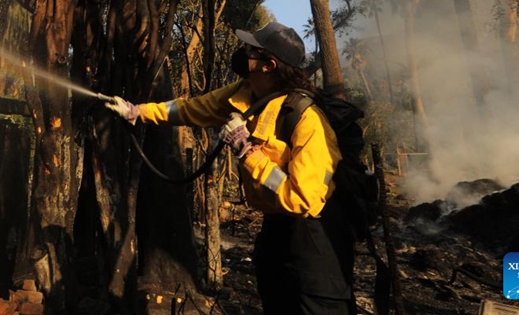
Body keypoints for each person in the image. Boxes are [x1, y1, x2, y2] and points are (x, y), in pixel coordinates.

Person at [105, 21, 356, 315]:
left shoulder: (306, 118)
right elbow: (191, 108)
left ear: (269, 65)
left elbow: (304, 199)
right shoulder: (245, 93)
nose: (242, 53)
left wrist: (248, 153)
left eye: (250, 50)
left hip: (316, 236)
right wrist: (139, 112)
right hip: (275, 228)